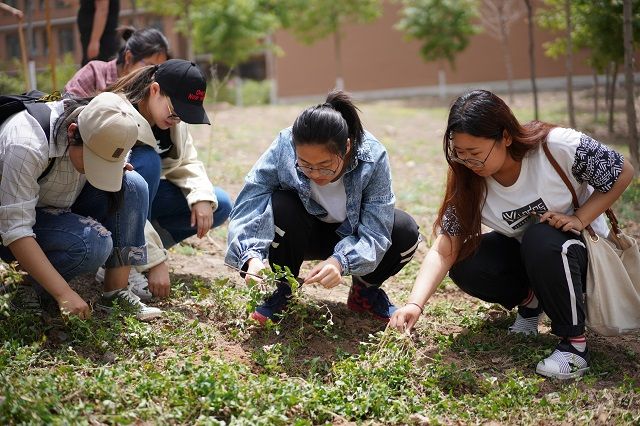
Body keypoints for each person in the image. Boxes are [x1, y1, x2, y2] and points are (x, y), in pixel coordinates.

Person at [389, 89, 634, 379]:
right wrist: (415, 304)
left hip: (576, 254)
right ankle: (530, 303)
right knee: (466, 261)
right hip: (531, 258)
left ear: (505, 137)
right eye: (460, 153)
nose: (468, 162)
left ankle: (574, 348)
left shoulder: (556, 147)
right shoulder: (469, 181)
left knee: (541, 237)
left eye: (476, 153)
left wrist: (580, 218)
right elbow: (445, 248)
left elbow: (622, 171)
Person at [226, 90, 421, 325]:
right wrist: (250, 257)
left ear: (346, 147)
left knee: (404, 230)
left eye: (325, 165)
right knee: (281, 204)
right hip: (300, 234)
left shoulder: (373, 156)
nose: (315, 174)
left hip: (350, 235)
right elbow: (252, 197)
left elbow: (376, 230)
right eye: (305, 165)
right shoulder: (284, 145)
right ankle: (280, 289)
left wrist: (340, 261)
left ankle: (365, 291)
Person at [0, 91, 162, 320]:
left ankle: (114, 294)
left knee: (133, 185)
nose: (97, 169)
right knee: (92, 244)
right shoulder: (26, 144)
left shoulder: (109, 127)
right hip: (11, 225)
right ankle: (19, 286)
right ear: (73, 132)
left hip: (58, 206)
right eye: (93, 161)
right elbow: (15, 230)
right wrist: (64, 293)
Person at [98, 59, 233, 300]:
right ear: (154, 90)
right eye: (174, 112)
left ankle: (140, 256)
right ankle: (123, 259)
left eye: (183, 116)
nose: (177, 119)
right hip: (110, 204)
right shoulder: (120, 117)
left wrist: (200, 197)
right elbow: (122, 192)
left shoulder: (170, 120)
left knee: (218, 204)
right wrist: (157, 261)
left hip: (143, 203)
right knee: (149, 162)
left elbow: (187, 161)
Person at [65, 26, 170, 98]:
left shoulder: (151, 91)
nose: (153, 76)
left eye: (158, 70)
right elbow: (66, 107)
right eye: (150, 67)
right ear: (129, 58)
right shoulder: (94, 73)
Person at [77, 0, 120, 66]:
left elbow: (102, 9)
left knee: (97, 71)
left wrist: (95, 41)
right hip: (94, 39)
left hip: (102, 41)